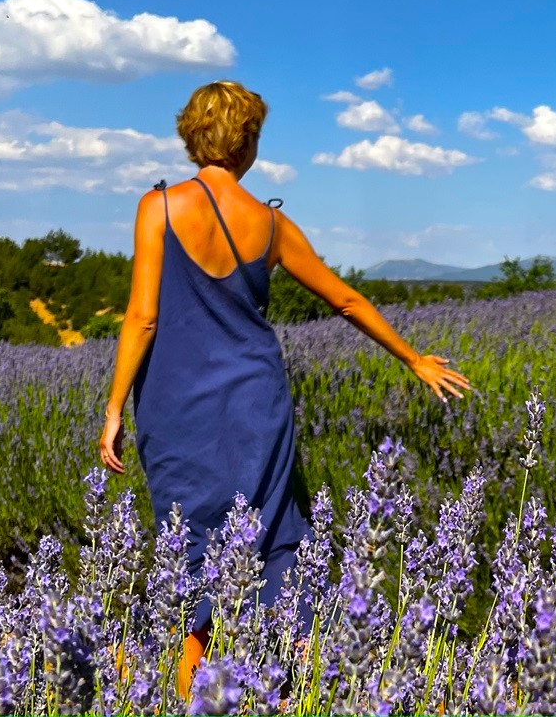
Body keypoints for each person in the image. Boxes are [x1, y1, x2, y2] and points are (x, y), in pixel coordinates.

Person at [96, 81, 471, 698]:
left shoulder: (158, 207)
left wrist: (113, 410)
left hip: (175, 406)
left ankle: (201, 700)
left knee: (188, 548)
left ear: (191, 137)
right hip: (257, 402)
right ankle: (298, 692)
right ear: (249, 146)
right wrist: (413, 359)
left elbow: (142, 317)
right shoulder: (269, 224)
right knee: (272, 540)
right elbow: (345, 299)